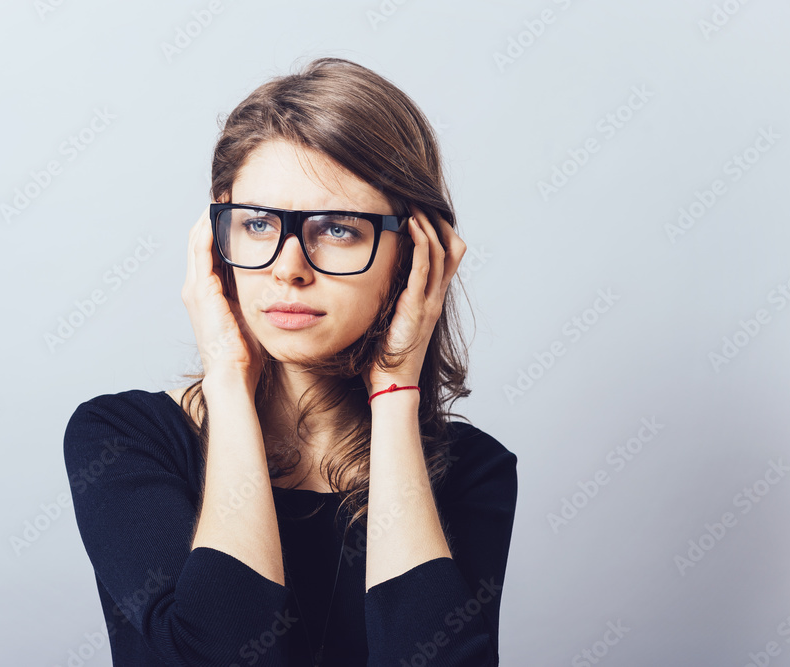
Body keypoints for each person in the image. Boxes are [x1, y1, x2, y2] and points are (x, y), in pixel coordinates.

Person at [63, 56, 518, 666]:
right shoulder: (121, 440)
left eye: (338, 230)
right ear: (217, 242)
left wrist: (395, 394)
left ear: (411, 257)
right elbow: (219, 654)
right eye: (256, 223)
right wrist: (227, 378)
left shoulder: (472, 472)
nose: (288, 267)